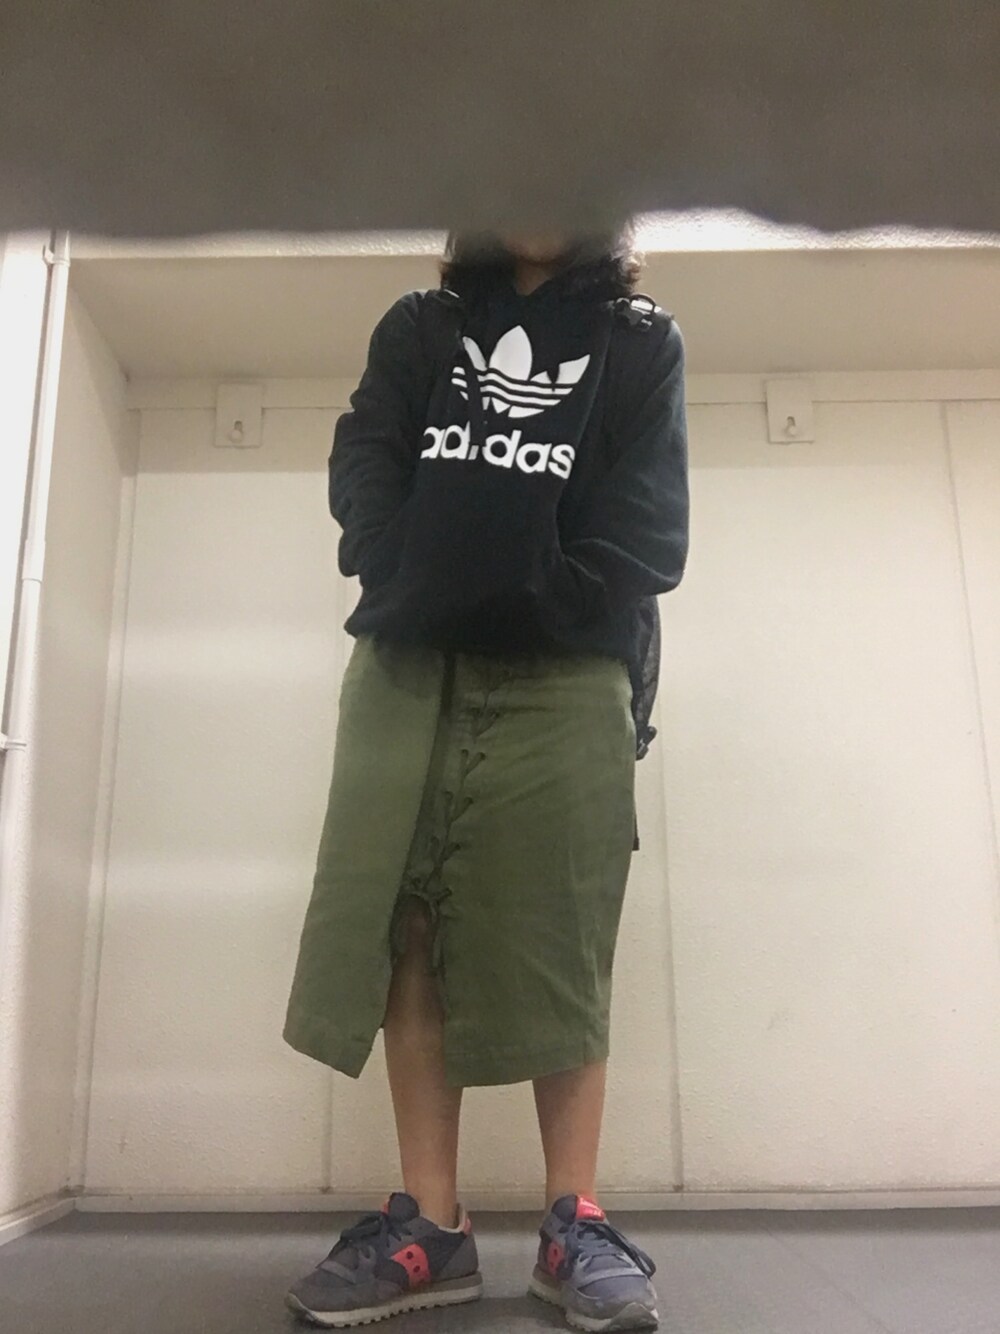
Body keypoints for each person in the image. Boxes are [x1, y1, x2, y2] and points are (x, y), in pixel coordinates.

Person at [282, 221, 690, 1331]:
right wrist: (396, 562)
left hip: (570, 667)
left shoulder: (639, 341)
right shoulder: (422, 326)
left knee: (562, 928)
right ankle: (431, 1223)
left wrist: (547, 598)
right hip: (411, 655)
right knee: (408, 915)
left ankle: (575, 1222)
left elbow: (649, 524)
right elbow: (366, 458)